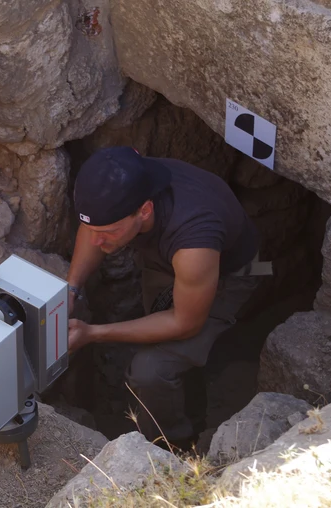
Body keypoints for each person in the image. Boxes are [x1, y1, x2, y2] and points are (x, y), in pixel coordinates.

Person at [66, 146, 270, 450]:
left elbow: (184, 322)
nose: (97, 241)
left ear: (144, 210)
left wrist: (94, 334)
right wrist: (72, 289)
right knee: (161, 339)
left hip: (232, 273)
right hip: (169, 262)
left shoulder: (194, 239)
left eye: (108, 232)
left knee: (151, 371)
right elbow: (95, 228)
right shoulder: (120, 182)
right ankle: (184, 388)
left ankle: (173, 449)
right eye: (91, 228)